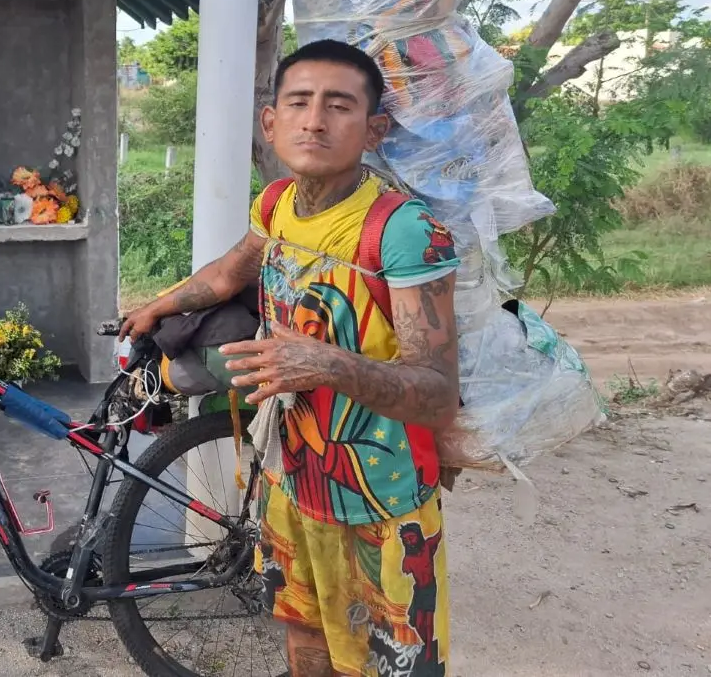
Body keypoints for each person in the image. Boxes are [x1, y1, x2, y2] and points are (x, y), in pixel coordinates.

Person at [119, 39, 460, 677]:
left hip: (380, 500)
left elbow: (438, 391)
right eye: (299, 102)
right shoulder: (275, 204)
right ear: (271, 122)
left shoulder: (402, 229)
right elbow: (227, 275)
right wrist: (159, 305)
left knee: (390, 666)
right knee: (306, 642)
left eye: (339, 105)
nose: (315, 120)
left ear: (374, 128)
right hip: (289, 475)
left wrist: (328, 364)